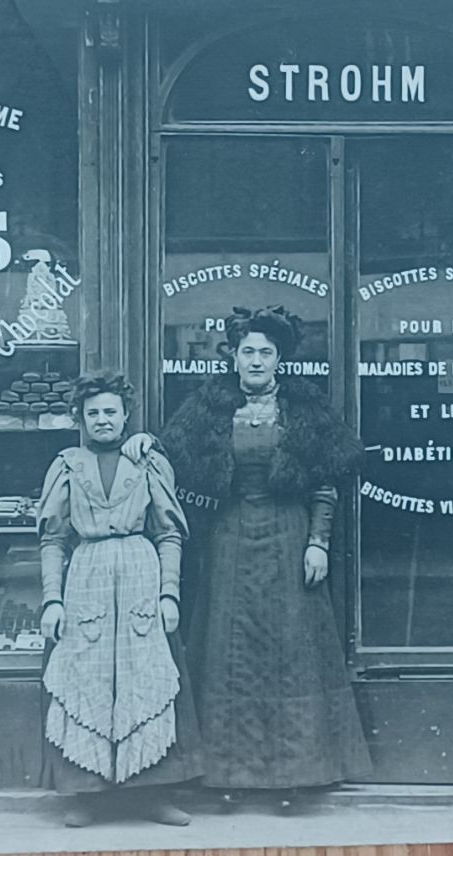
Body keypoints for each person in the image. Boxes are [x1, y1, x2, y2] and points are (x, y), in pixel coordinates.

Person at [126, 305, 372, 809]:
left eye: (266, 352)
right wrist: (147, 442)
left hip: (289, 531)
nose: (256, 360)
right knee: (228, 652)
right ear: (234, 357)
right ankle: (228, 773)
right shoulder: (210, 405)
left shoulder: (303, 407)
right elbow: (175, 454)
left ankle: (294, 775)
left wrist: (318, 542)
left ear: (279, 358)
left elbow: (325, 481)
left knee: (290, 649)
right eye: (247, 351)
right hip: (230, 536)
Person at [37, 372, 200, 828]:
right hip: (86, 576)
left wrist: (170, 593)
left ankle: (154, 794)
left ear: (126, 415)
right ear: (81, 419)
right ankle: (84, 795)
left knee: (145, 678)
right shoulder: (67, 465)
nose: (103, 420)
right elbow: (52, 538)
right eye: (93, 413)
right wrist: (53, 600)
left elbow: (169, 532)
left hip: (140, 578)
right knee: (83, 680)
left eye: (111, 411)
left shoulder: (148, 462)